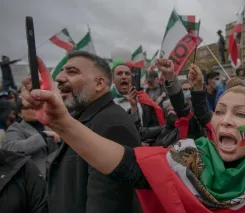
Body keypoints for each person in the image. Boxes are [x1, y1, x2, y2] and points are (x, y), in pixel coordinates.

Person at [22, 58, 245, 213]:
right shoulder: (185, 159)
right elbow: (126, 165)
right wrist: (65, 124)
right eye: (221, 111)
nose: (225, 120)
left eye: (240, 114)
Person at [39, 52, 142, 213]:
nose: (59, 78)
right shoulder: (81, 119)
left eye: (72, 72)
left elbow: (108, 205)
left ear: (99, 84)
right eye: (62, 71)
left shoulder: (112, 125)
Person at [3, 103, 61, 177]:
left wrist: (50, 159)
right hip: (32, 175)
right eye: (29, 108)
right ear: (20, 113)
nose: (34, 110)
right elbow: (10, 149)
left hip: (55, 172)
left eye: (37, 107)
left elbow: (59, 147)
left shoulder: (50, 125)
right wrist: (42, 135)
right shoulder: (16, 128)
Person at [111, 60, 160, 128]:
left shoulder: (143, 99)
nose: (124, 76)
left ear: (131, 78)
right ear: (113, 79)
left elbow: (153, 125)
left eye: (127, 73)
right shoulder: (107, 101)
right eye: (119, 73)